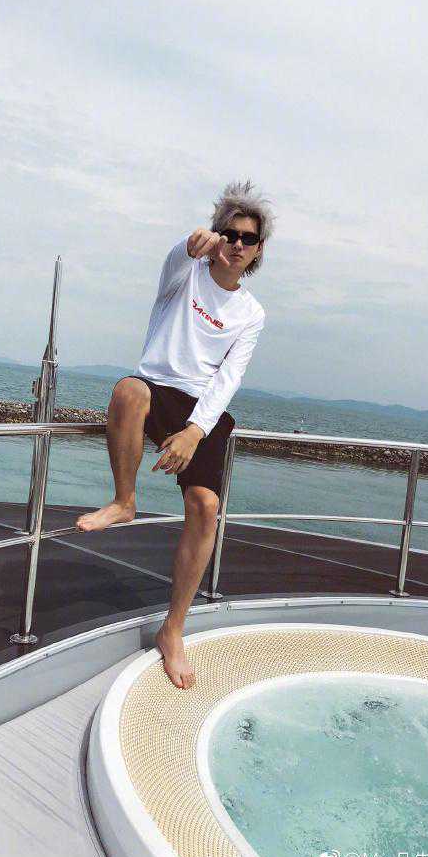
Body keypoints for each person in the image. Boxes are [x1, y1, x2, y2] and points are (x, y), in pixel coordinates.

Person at [76, 179, 275, 689]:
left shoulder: (252, 314)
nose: (237, 243)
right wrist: (189, 246)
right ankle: (124, 501)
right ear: (216, 235)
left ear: (257, 250)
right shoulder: (185, 273)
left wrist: (193, 432)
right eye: (229, 233)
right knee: (127, 391)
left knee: (205, 506)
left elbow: (228, 379)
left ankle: (174, 628)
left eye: (248, 238)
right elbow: (176, 258)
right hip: (157, 386)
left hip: (202, 407)